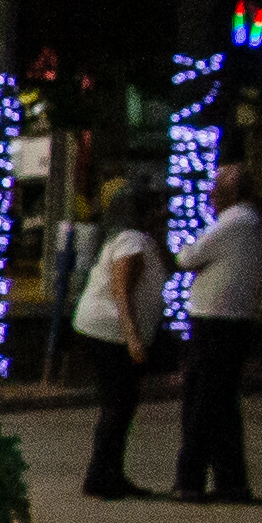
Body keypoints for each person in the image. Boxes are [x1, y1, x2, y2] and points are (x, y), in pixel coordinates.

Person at [172, 160, 262, 503]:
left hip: (213, 320)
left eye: (217, 187)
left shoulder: (231, 223)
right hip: (238, 319)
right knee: (224, 403)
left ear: (230, 191)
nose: (211, 194)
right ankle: (231, 479)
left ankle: (191, 479)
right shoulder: (257, 221)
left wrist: (188, 252)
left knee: (201, 403)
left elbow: (188, 257)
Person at [70, 207, 171, 502]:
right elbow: (121, 290)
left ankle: (108, 471)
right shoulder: (132, 241)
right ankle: (102, 476)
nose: (165, 220)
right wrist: (133, 337)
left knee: (120, 405)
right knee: (118, 404)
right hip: (109, 332)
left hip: (110, 332)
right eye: (160, 215)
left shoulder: (142, 242)